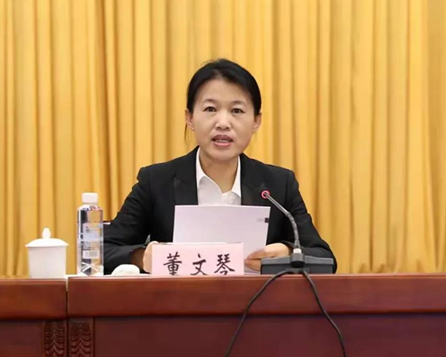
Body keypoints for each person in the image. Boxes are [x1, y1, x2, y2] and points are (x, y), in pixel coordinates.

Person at [104, 59, 336, 274]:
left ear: (256, 121)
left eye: (237, 111)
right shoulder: (156, 181)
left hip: (257, 304)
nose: (223, 123)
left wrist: (288, 253)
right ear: (190, 118)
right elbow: (102, 250)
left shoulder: (278, 185)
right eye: (210, 109)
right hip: (179, 304)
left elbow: (324, 259)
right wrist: (141, 257)